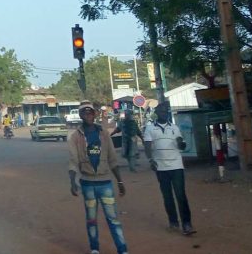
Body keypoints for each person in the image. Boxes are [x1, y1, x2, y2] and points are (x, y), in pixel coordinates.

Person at [68, 101, 129, 254]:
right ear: (81, 115)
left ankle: (122, 250)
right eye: (85, 113)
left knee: (113, 219)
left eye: (91, 112)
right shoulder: (75, 137)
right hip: (87, 184)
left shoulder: (104, 134)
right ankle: (94, 248)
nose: (88, 115)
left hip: (105, 183)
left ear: (95, 114)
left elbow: (112, 159)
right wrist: (72, 181)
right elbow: (73, 161)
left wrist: (120, 181)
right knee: (91, 219)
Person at [144, 102, 195, 236]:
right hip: (160, 168)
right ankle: (173, 222)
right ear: (156, 113)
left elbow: (181, 145)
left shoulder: (175, 128)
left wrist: (181, 144)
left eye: (166, 111)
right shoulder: (149, 129)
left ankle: (187, 224)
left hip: (177, 166)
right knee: (167, 197)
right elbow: (148, 146)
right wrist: (150, 160)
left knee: (181, 195)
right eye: (161, 111)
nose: (164, 113)